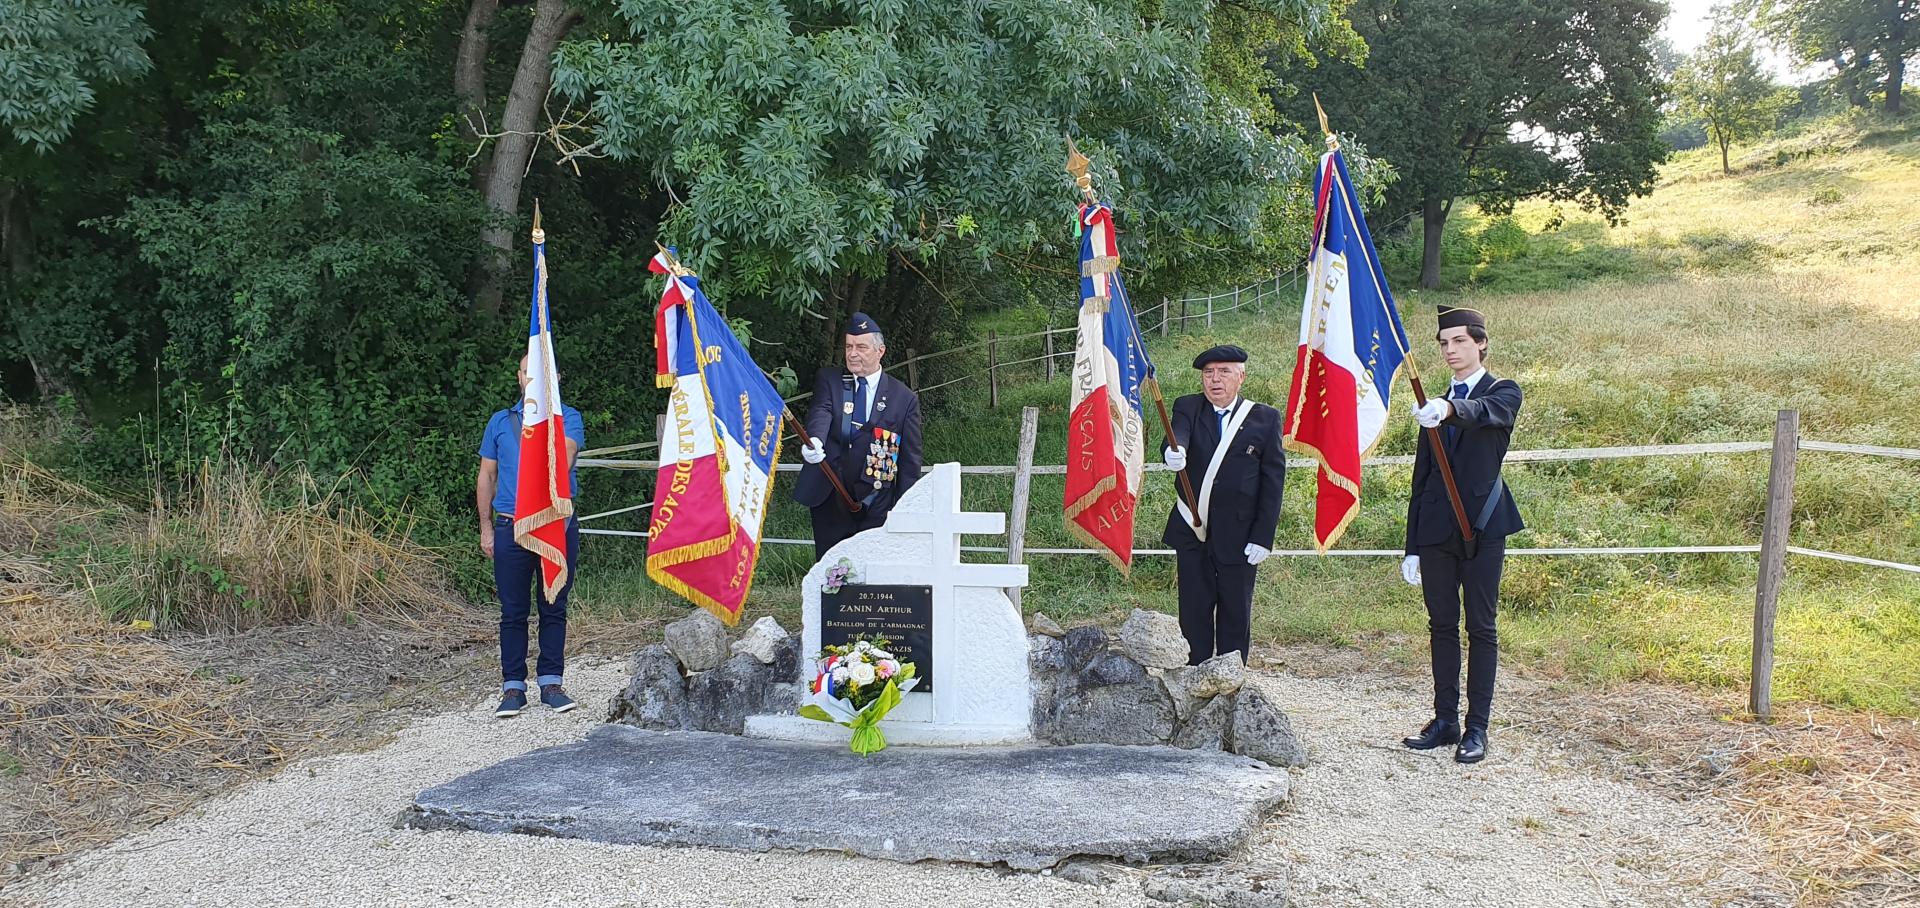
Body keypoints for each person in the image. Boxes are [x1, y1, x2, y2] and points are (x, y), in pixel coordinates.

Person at [1399, 305, 1524, 764]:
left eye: (1460, 341)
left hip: (1485, 528)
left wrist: (1449, 408)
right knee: (1441, 626)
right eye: (1444, 343)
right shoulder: (1433, 403)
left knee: (1482, 628)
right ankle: (1445, 720)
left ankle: (1477, 728)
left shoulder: (1501, 391)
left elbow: (1488, 413)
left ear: (1481, 343)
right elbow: (1422, 477)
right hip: (1435, 531)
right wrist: (1412, 545)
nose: (1451, 350)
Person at [1160, 345, 1286, 666]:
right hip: (1194, 530)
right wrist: (1173, 451)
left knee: (1235, 614)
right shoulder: (1188, 406)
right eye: (1208, 373)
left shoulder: (1265, 419)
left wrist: (1263, 537)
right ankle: (1195, 679)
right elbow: (1178, 433)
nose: (1215, 379)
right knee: (1194, 612)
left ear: (1240, 377)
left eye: (1223, 371)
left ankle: (1230, 684)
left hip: (1241, 536)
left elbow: (1273, 482)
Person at [477, 355, 585, 718]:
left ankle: (551, 682)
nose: (533, 379)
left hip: (555, 524)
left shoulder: (567, 418)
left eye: (542, 374)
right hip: (509, 526)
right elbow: (487, 476)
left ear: (555, 378)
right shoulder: (499, 422)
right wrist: (486, 527)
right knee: (512, 611)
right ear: (519, 377)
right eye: (528, 373)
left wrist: (544, 424)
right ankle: (513, 688)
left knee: (554, 605)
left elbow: (565, 457)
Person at [793, 312, 924, 561]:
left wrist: (904, 508)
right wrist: (815, 439)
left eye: (861, 347)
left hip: (876, 500)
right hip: (830, 495)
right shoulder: (830, 380)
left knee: (872, 572)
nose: (853, 353)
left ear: (880, 351)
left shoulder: (903, 398)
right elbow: (822, 410)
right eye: (849, 346)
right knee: (830, 571)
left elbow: (910, 461)